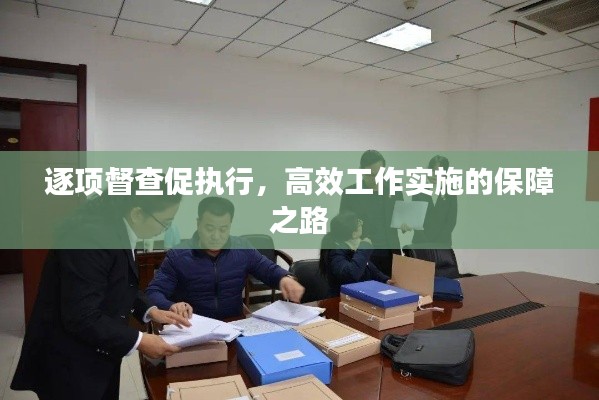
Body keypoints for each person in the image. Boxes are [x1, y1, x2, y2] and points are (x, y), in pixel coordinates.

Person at [11, 181, 191, 400]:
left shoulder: (117, 226)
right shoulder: (90, 237)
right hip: (69, 361)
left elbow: (118, 282)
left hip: (100, 349)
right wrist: (140, 340)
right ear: (137, 213)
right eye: (165, 222)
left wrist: (150, 310)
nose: (166, 229)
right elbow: (82, 316)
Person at [146, 196, 305, 320]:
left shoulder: (241, 248)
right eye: (210, 228)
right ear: (198, 223)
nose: (216, 236)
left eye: (223, 229)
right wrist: (172, 305)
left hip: (233, 323)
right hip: (193, 327)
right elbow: (154, 292)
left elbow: (267, 269)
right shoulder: (178, 255)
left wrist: (285, 278)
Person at [340, 150, 403, 276]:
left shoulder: (394, 189)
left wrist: (404, 224)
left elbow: (400, 217)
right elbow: (344, 226)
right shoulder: (350, 193)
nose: (376, 178)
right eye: (370, 175)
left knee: (391, 286)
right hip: (362, 253)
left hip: (390, 252)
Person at [319, 212, 393, 297]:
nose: (362, 222)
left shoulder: (354, 246)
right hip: (340, 299)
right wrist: (364, 247)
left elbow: (368, 267)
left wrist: (385, 280)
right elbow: (352, 274)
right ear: (353, 234)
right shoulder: (336, 252)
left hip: (359, 295)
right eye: (358, 222)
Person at [411, 155, 458, 248]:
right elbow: (415, 219)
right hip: (420, 242)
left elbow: (451, 220)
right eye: (434, 171)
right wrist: (425, 241)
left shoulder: (450, 191)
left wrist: (438, 242)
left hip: (442, 243)